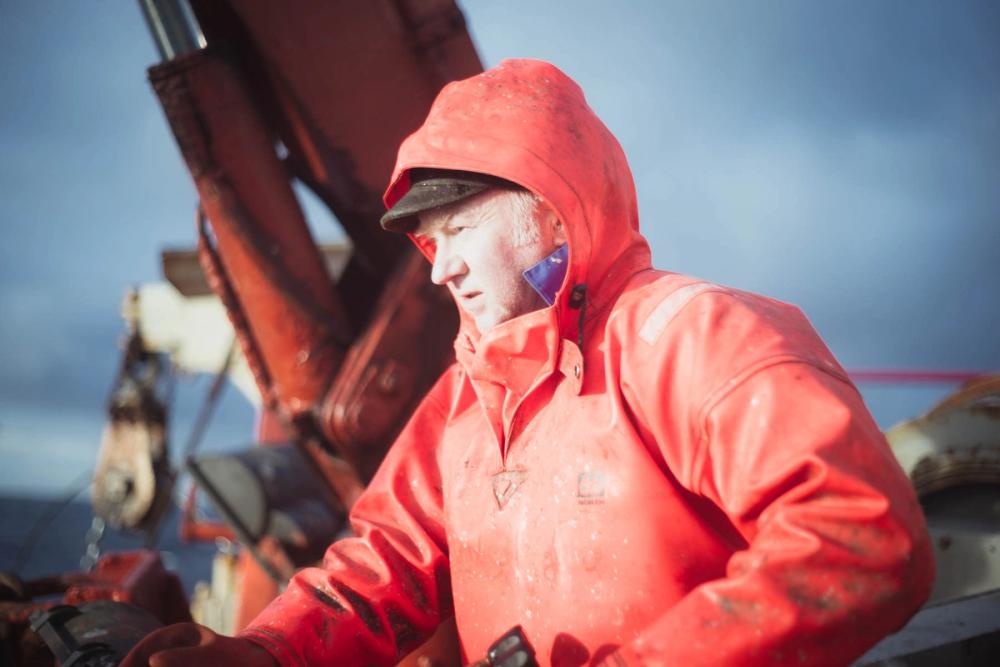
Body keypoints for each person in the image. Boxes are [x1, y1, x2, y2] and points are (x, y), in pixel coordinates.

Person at [123, 59, 934, 667]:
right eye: (430, 243)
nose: (440, 270)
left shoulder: (695, 337)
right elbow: (385, 563)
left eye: (459, 230)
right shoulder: (464, 398)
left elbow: (860, 534)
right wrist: (267, 651)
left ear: (548, 214)